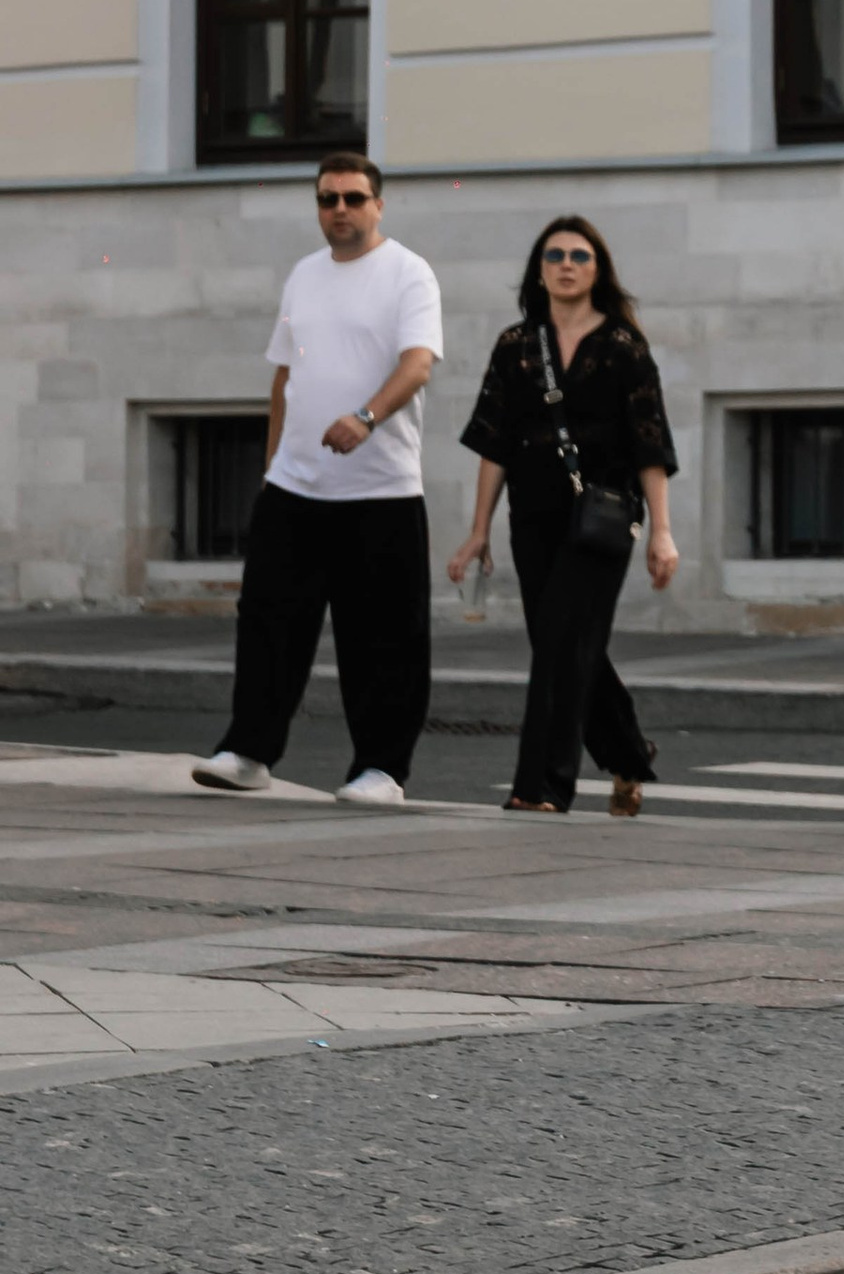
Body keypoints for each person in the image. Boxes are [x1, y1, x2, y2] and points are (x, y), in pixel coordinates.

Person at [192, 156, 442, 807]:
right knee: (269, 624)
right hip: (294, 491)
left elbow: (418, 365)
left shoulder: (408, 273)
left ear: (378, 205)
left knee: (383, 635)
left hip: (382, 492)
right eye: (328, 198)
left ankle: (382, 770)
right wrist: (273, 468)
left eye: (354, 198)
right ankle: (249, 752)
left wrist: (366, 417)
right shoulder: (304, 275)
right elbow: (283, 380)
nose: (340, 209)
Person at [449, 217, 678, 816]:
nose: (567, 263)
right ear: (540, 268)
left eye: (580, 255)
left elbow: (650, 445)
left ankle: (542, 787)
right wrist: (479, 531)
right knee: (566, 645)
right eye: (555, 254)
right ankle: (628, 752)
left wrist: (664, 532)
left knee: (562, 644)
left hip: (603, 517)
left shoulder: (624, 348)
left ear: (598, 269)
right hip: (533, 517)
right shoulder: (515, 346)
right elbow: (493, 444)